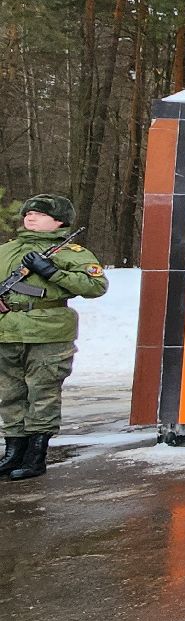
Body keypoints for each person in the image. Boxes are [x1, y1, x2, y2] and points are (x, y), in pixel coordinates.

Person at [0, 194, 108, 481]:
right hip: (7, 331)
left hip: (49, 331)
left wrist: (52, 272)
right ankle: (13, 453)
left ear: (59, 220)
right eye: (28, 213)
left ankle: (36, 456)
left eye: (39, 213)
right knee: (9, 394)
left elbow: (95, 286)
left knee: (42, 393)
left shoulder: (71, 252)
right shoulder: (6, 250)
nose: (30, 217)